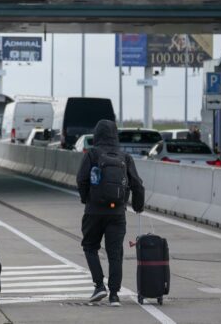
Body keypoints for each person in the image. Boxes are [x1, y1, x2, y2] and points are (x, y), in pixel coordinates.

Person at [77, 119, 145, 307]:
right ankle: (114, 294)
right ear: (115, 135)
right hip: (117, 213)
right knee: (115, 253)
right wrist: (138, 206)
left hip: (94, 211)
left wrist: (86, 199)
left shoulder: (92, 154)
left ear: (97, 134)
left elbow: (81, 179)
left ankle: (99, 285)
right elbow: (137, 184)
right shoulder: (125, 157)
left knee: (90, 247)